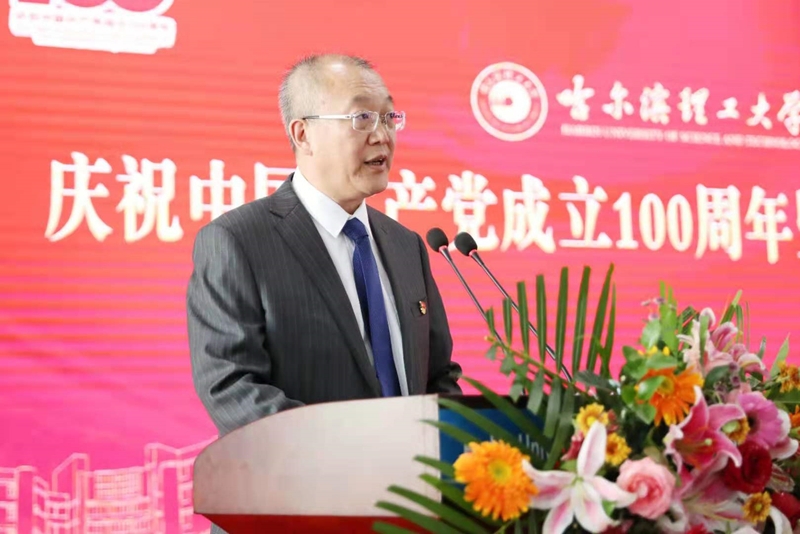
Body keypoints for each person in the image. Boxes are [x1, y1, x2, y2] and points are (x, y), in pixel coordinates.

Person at [186, 54, 462, 440]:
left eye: (388, 117)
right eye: (362, 118)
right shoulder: (238, 241)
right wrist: (350, 454)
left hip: (415, 477)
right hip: (308, 475)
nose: (382, 135)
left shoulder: (406, 246)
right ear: (303, 134)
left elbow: (437, 375)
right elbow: (232, 387)